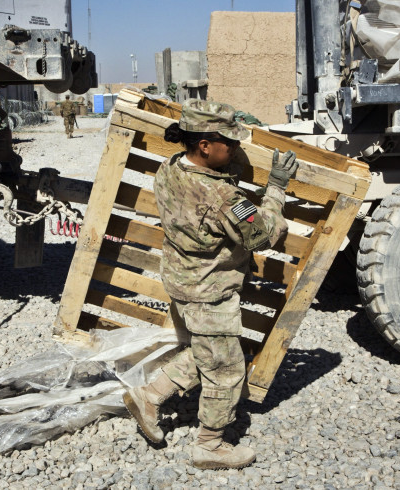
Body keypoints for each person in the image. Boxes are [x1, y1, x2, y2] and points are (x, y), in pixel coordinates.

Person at [123, 98, 298, 470]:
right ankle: (210, 445)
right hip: (209, 290)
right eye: (230, 143)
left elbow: (215, 177)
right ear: (204, 145)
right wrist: (277, 187)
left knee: (208, 351)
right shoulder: (225, 198)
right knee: (227, 370)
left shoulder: (170, 168)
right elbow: (264, 235)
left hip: (181, 278)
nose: (235, 149)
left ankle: (148, 396)